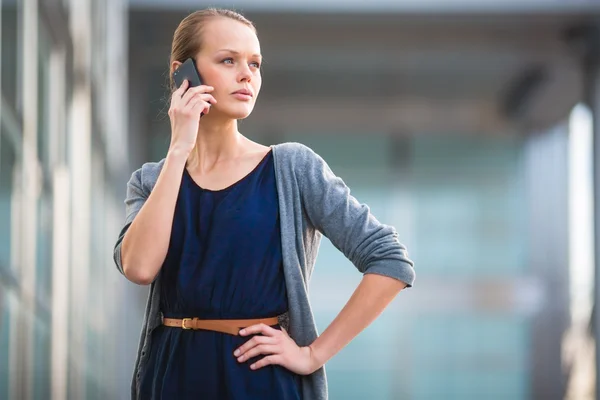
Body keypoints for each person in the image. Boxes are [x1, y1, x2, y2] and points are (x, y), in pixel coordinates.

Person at [113, 7, 415, 400]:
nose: (246, 75)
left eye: (254, 63)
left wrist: (312, 355)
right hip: (171, 377)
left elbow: (390, 260)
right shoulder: (151, 180)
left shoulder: (292, 167)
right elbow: (138, 267)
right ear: (182, 73)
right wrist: (179, 149)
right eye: (228, 60)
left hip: (260, 380)